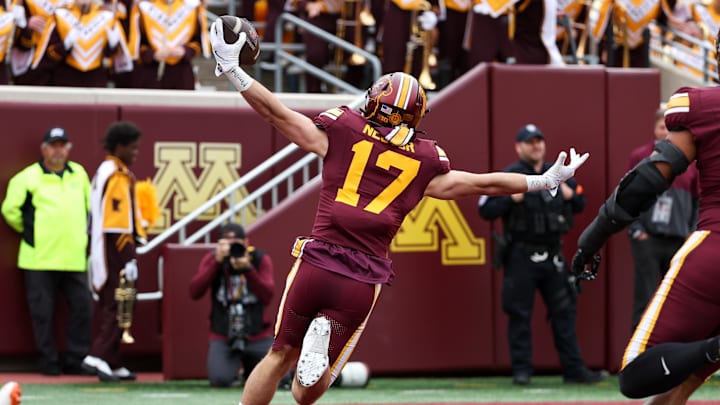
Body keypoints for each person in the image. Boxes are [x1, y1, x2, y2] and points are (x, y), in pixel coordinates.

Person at [210, 18, 588, 405]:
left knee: (278, 355)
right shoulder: (424, 162)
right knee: (305, 395)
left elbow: (279, 116)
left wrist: (234, 70)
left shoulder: (344, 130)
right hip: (362, 276)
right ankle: (320, 338)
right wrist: (544, 180)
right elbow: (480, 182)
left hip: (318, 261)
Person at [571, 27, 720, 404]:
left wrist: (593, 236)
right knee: (680, 384)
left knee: (637, 374)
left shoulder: (703, 106)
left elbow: (646, 182)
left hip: (715, 249)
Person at [478, 124, 604, 386]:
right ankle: (522, 372)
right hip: (521, 255)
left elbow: (581, 201)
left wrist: (570, 194)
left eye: (539, 141)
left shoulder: (558, 172)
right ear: (519, 146)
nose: (536, 146)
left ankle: (574, 371)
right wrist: (510, 199)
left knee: (564, 312)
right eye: (530, 142)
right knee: (519, 314)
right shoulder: (511, 175)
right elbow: (485, 208)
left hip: (552, 255)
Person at [1, 127, 92, 376]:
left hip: (74, 257)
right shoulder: (28, 177)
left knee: (83, 308)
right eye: (53, 145)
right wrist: (32, 234)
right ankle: (49, 362)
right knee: (42, 314)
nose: (58, 150)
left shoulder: (79, 174)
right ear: (44, 149)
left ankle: (76, 360)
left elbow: (89, 209)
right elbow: (10, 210)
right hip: (39, 258)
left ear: (69, 149)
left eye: (62, 145)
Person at [81, 121, 144, 382]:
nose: (136, 153)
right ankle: (98, 355)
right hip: (114, 248)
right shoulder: (116, 173)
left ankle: (112, 359)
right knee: (117, 303)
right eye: (132, 148)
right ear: (119, 147)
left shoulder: (108, 170)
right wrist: (128, 256)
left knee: (118, 302)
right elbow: (116, 223)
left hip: (106, 246)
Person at [626, 107, 699, 330]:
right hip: (648, 240)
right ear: (654, 128)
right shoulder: (639, 157)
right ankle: (637, 361)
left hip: (678, 241)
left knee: (676, 304)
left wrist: (691, 232)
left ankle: (671, 359)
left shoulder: (692, 163)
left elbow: (698, 200)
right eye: (662, 127)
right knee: (646, 301)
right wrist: (637, 231)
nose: (666, 133)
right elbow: (627, 196)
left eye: (671, 129)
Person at [189, 223, 279, 388]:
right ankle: (244, 370)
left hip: (257, 334)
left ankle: (252, 369)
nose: (231, 247)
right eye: (226, 242)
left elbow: (268, 296)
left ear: (246, 243)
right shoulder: (212, 259)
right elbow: (195, 291)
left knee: (280, 378)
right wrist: (216, 263)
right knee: (220, 380)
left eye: (236, 242)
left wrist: (248, 270)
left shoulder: (259, 258)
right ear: (219, 245)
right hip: (224, 334)